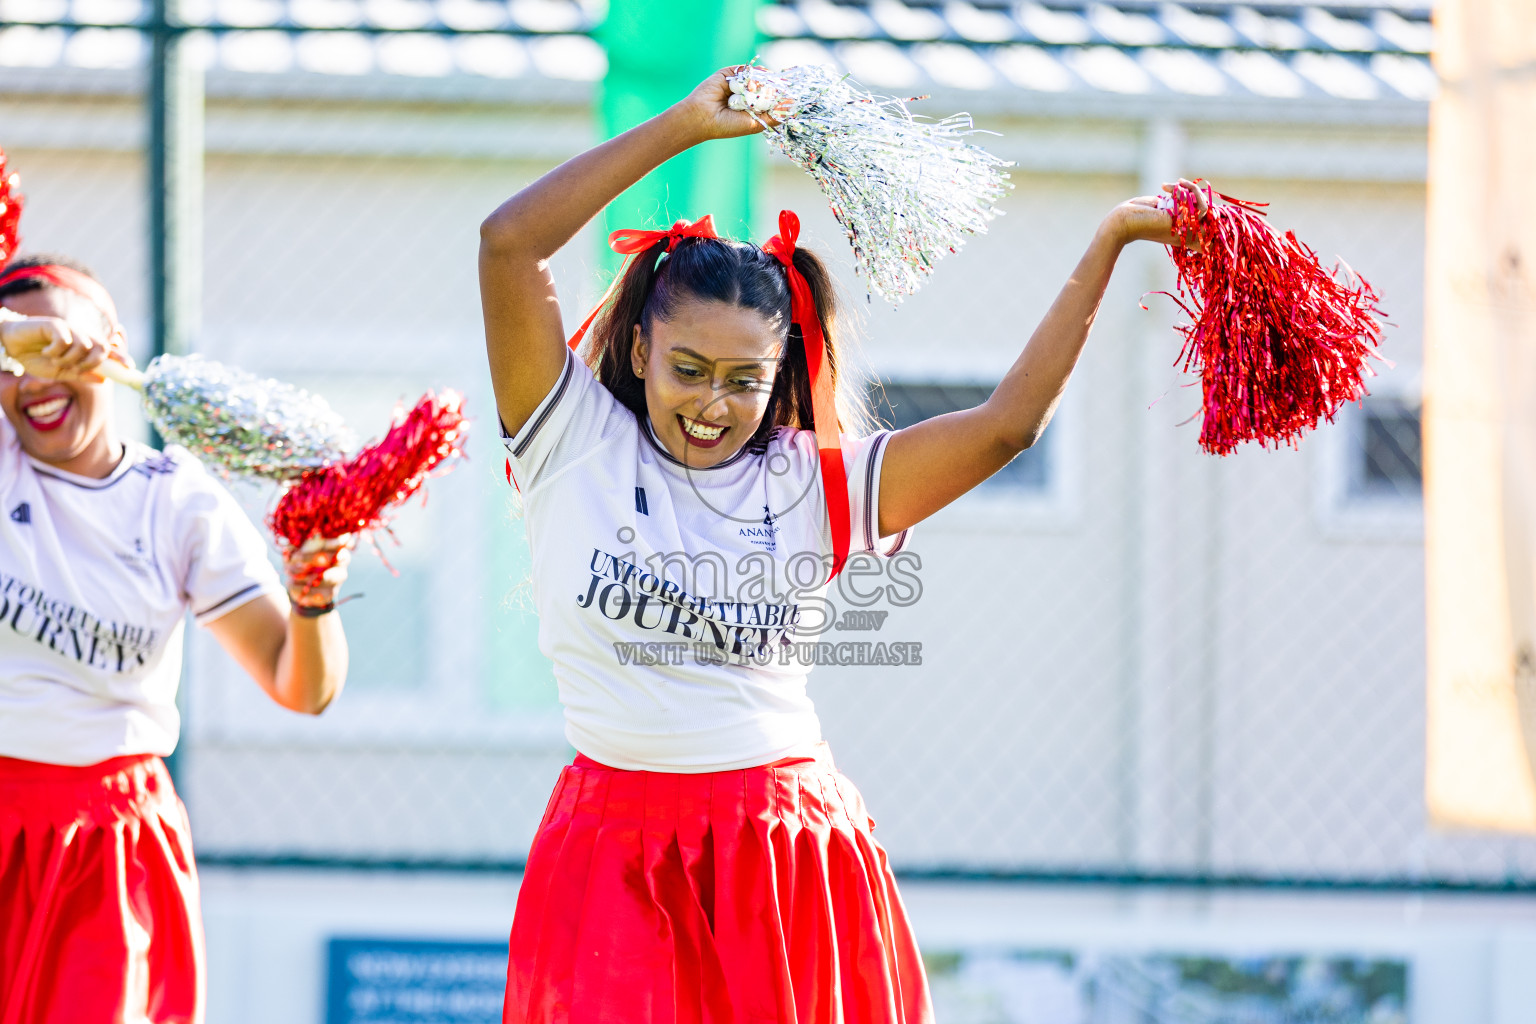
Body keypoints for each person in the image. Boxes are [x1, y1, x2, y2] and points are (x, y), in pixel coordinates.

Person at [480, 67, 1204, 1024]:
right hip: (611, 844)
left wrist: (1110, 240)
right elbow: (507, 243)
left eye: (744, 378)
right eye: (688, 368)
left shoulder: (814, 484)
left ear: (783, 370)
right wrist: (689, 128)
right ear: (641, 347)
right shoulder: (569, 438)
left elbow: (1006, 426)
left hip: (777, 847)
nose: (712, 402)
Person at [0, 256, 355, 1024]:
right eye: (12, 363)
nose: (32, 381)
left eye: (61, 347)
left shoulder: (178, 501)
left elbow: (302, 684)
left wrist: (313, 594)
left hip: (109, 840)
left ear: (115, 348)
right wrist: (22, 334)